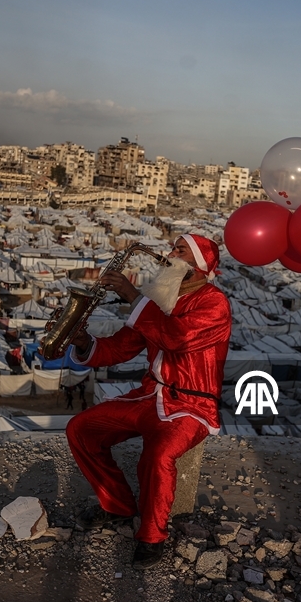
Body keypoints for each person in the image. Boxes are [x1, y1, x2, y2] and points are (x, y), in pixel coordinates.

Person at [65, 234, 231, 569]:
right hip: (149, 396)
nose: (170, 254)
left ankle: (152, 536)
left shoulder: (214, 303)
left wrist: (132, 295)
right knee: (81, 429)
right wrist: (83, 342)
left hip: (191, 406)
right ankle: (118, 505)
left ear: (199, 265)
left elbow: (177, 338)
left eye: (180, 250)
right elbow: (120, 348)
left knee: (158, 455)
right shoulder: (160, 299)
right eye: (173, 248)